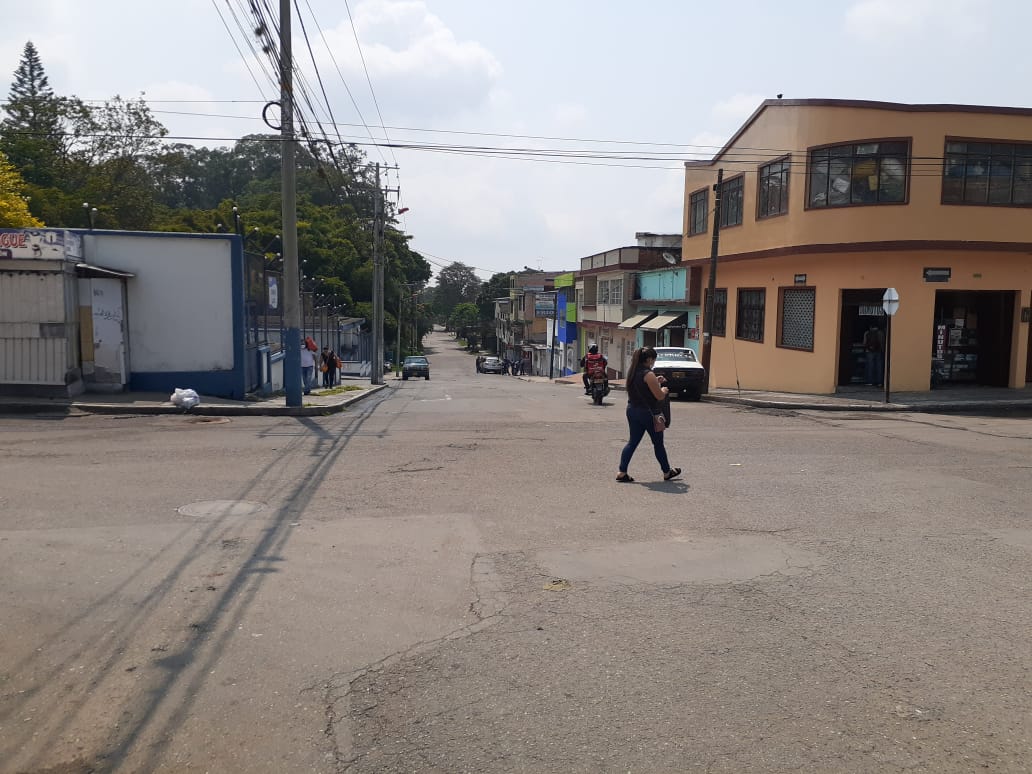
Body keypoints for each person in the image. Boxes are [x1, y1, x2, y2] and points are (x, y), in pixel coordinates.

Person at [616, 346, 681, 482]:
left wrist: (655, 382)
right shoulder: (648, 374)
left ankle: (622, 471)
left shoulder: (632, 371)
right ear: (649, 359)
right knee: (658, 444)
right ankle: (666, 471)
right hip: (649, 413)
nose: (654, 363)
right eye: (654, 360)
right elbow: (659, 396)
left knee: (632, 442)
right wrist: (663, 389)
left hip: (632, 410)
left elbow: (642, 388)